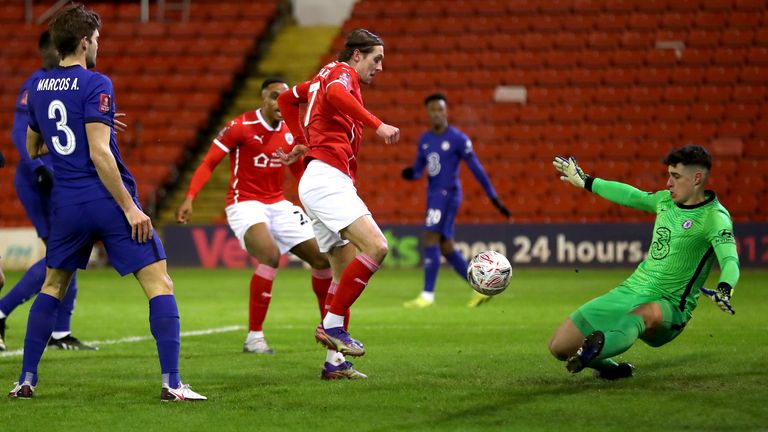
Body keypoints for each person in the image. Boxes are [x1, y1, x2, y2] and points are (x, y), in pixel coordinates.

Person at [8, 4, 205, 401]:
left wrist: (75, 136)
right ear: (84, 42)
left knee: (53, 285)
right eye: (96, 39)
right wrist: (131, 207)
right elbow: (101, 154)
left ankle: (26, 380)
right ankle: (172, 384)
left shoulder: (39, 86)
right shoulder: (97, 83)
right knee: (158, 282)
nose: (99, 45)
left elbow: (33, 146)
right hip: (106, 201)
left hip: (66, 204)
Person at [548, 145, 739, 379]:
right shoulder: (664, 202)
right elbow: (630, 195)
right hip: (631, 290)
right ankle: (613, 370)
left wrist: (725, 287)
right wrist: (587, 181)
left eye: (676, 176)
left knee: (641, 315)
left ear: (697, 178)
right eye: (669, 175)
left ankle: (592, 351)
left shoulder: (715, 218)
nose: (668, 183)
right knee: (559, 346)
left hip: (669, 305)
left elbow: (730, 259)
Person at [176, 77, 333, 355]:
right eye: (274, 96)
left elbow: (298, 174)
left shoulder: (291, 132)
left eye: (285, 98)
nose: (279, 103)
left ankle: (329, 328)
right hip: (244, 203)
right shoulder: (240, 126)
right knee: (271, 255)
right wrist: (190, 197)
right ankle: (254, 337)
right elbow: (209, 161)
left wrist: (313, 204)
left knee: (322, 260)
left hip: (279, 203)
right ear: (263, 98)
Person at [277, 28, 400, 379]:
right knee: (376, 247)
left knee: (343, 267)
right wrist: (376, 124)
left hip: (318, 178)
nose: (379, 67)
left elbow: (287, 99)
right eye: (376, 59)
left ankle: (334, 363)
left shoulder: (318, 78)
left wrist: (301, 140)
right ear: (356, 55)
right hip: (327, 178)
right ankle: (332, 326)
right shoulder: (340, 73)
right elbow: (335, 93)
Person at [0, 30, 98, 353]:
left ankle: (60, 332)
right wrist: (40, 170)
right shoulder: (36, 85)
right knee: (60, 255)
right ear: (50, 52)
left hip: (62, 181)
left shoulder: (71, 83)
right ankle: (1, 310)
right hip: (39, 182)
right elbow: (20, 135)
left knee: (68, 252)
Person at [401, 93, 510, 309]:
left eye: (440, 109)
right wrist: (410, 174)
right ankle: (480, 288)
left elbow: (477, 169)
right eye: (433, 110)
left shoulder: (458, 138)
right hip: (433, 194)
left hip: (448, 194)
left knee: (430, 238)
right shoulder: (425, 139)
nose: (437, 113)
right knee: (446, 247)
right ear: (428, 113)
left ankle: (427, 295)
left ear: (446, 111)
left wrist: (494, 198)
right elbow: (418, 170)